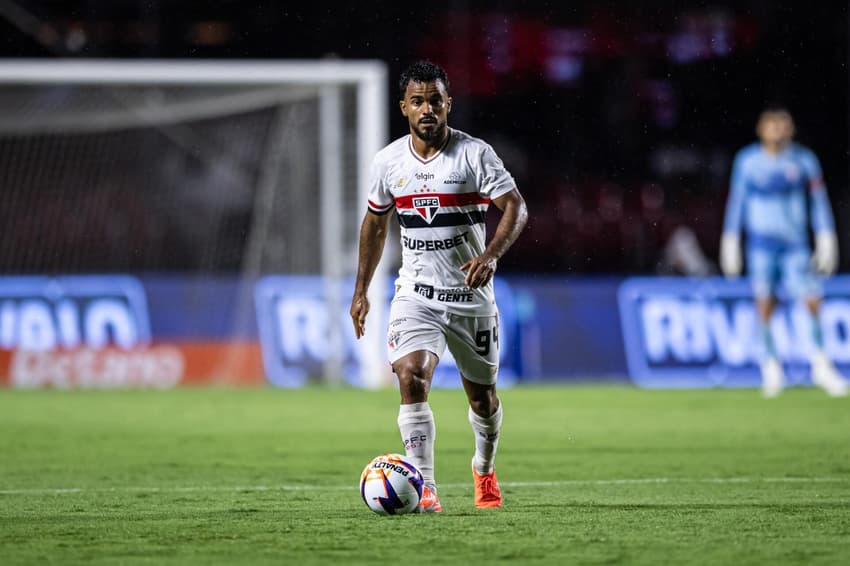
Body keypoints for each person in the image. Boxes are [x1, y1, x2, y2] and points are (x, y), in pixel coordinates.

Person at [350, 61, 528, 512]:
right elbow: (374, 223)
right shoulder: (388, 162)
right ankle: (425, 485)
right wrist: (361, 290)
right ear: (403, 108)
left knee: (482, 398)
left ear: (448, 103)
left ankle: (484, 470)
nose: (426, 109)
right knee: (411, 375)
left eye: (434, 100)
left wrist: (489, 255)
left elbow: (516, 209)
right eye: (417, 101)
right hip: (415, 294)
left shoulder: (475, 155)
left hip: (470, 298)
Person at [720, 106, 847, 398]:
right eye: (772, 125)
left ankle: (820, 364)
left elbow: (818, 200)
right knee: (764, 302)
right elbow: (737, 202)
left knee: (812, 299)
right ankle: (771, 365)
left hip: (795, 245)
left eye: (783, 125)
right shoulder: (748, 162)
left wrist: (826, 235)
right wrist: (730, 239)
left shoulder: (803, 161)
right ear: (761, 129)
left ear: (790, 129)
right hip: (761, 245)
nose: (778, 130)